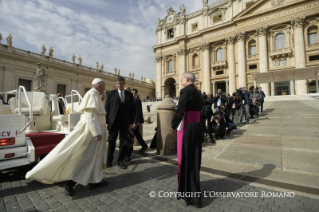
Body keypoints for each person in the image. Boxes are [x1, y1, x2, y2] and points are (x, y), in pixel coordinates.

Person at [26, 78, 108, 196]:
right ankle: (70, 183)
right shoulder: (91, 94)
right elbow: (91, 116)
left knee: (94, 157)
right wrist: (96, 132)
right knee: (85, 157)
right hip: (91, 133)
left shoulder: (94, 95)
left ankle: (94, 181)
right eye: (104, 86)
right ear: (99, 86)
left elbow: (95, 112)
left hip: (94, 133)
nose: (105, 88)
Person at [171, 72, 203, 208]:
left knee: (186, 160)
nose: (181, 82)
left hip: (188, 128)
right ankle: (195, 191)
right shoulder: (198, 92)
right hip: (198, 127)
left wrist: (173, 124)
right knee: (195, 160)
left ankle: (188, 194)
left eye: (182, 79)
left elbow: (180, 110)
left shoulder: (185, 91)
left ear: (187, 79)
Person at [105, 77, 134, 169]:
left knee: (123, 142)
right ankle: (109, 160)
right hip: (113, 122)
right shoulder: (111, 93)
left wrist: (131, 123)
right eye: (118, 83)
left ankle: (120, 160)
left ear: (124, 83)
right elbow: (107, 108)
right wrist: (106, 122)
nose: (119, 85)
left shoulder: (129, 95)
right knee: (111, 141)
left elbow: (131, 110)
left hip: (125, 122)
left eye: (121, 83)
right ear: (116, 84)